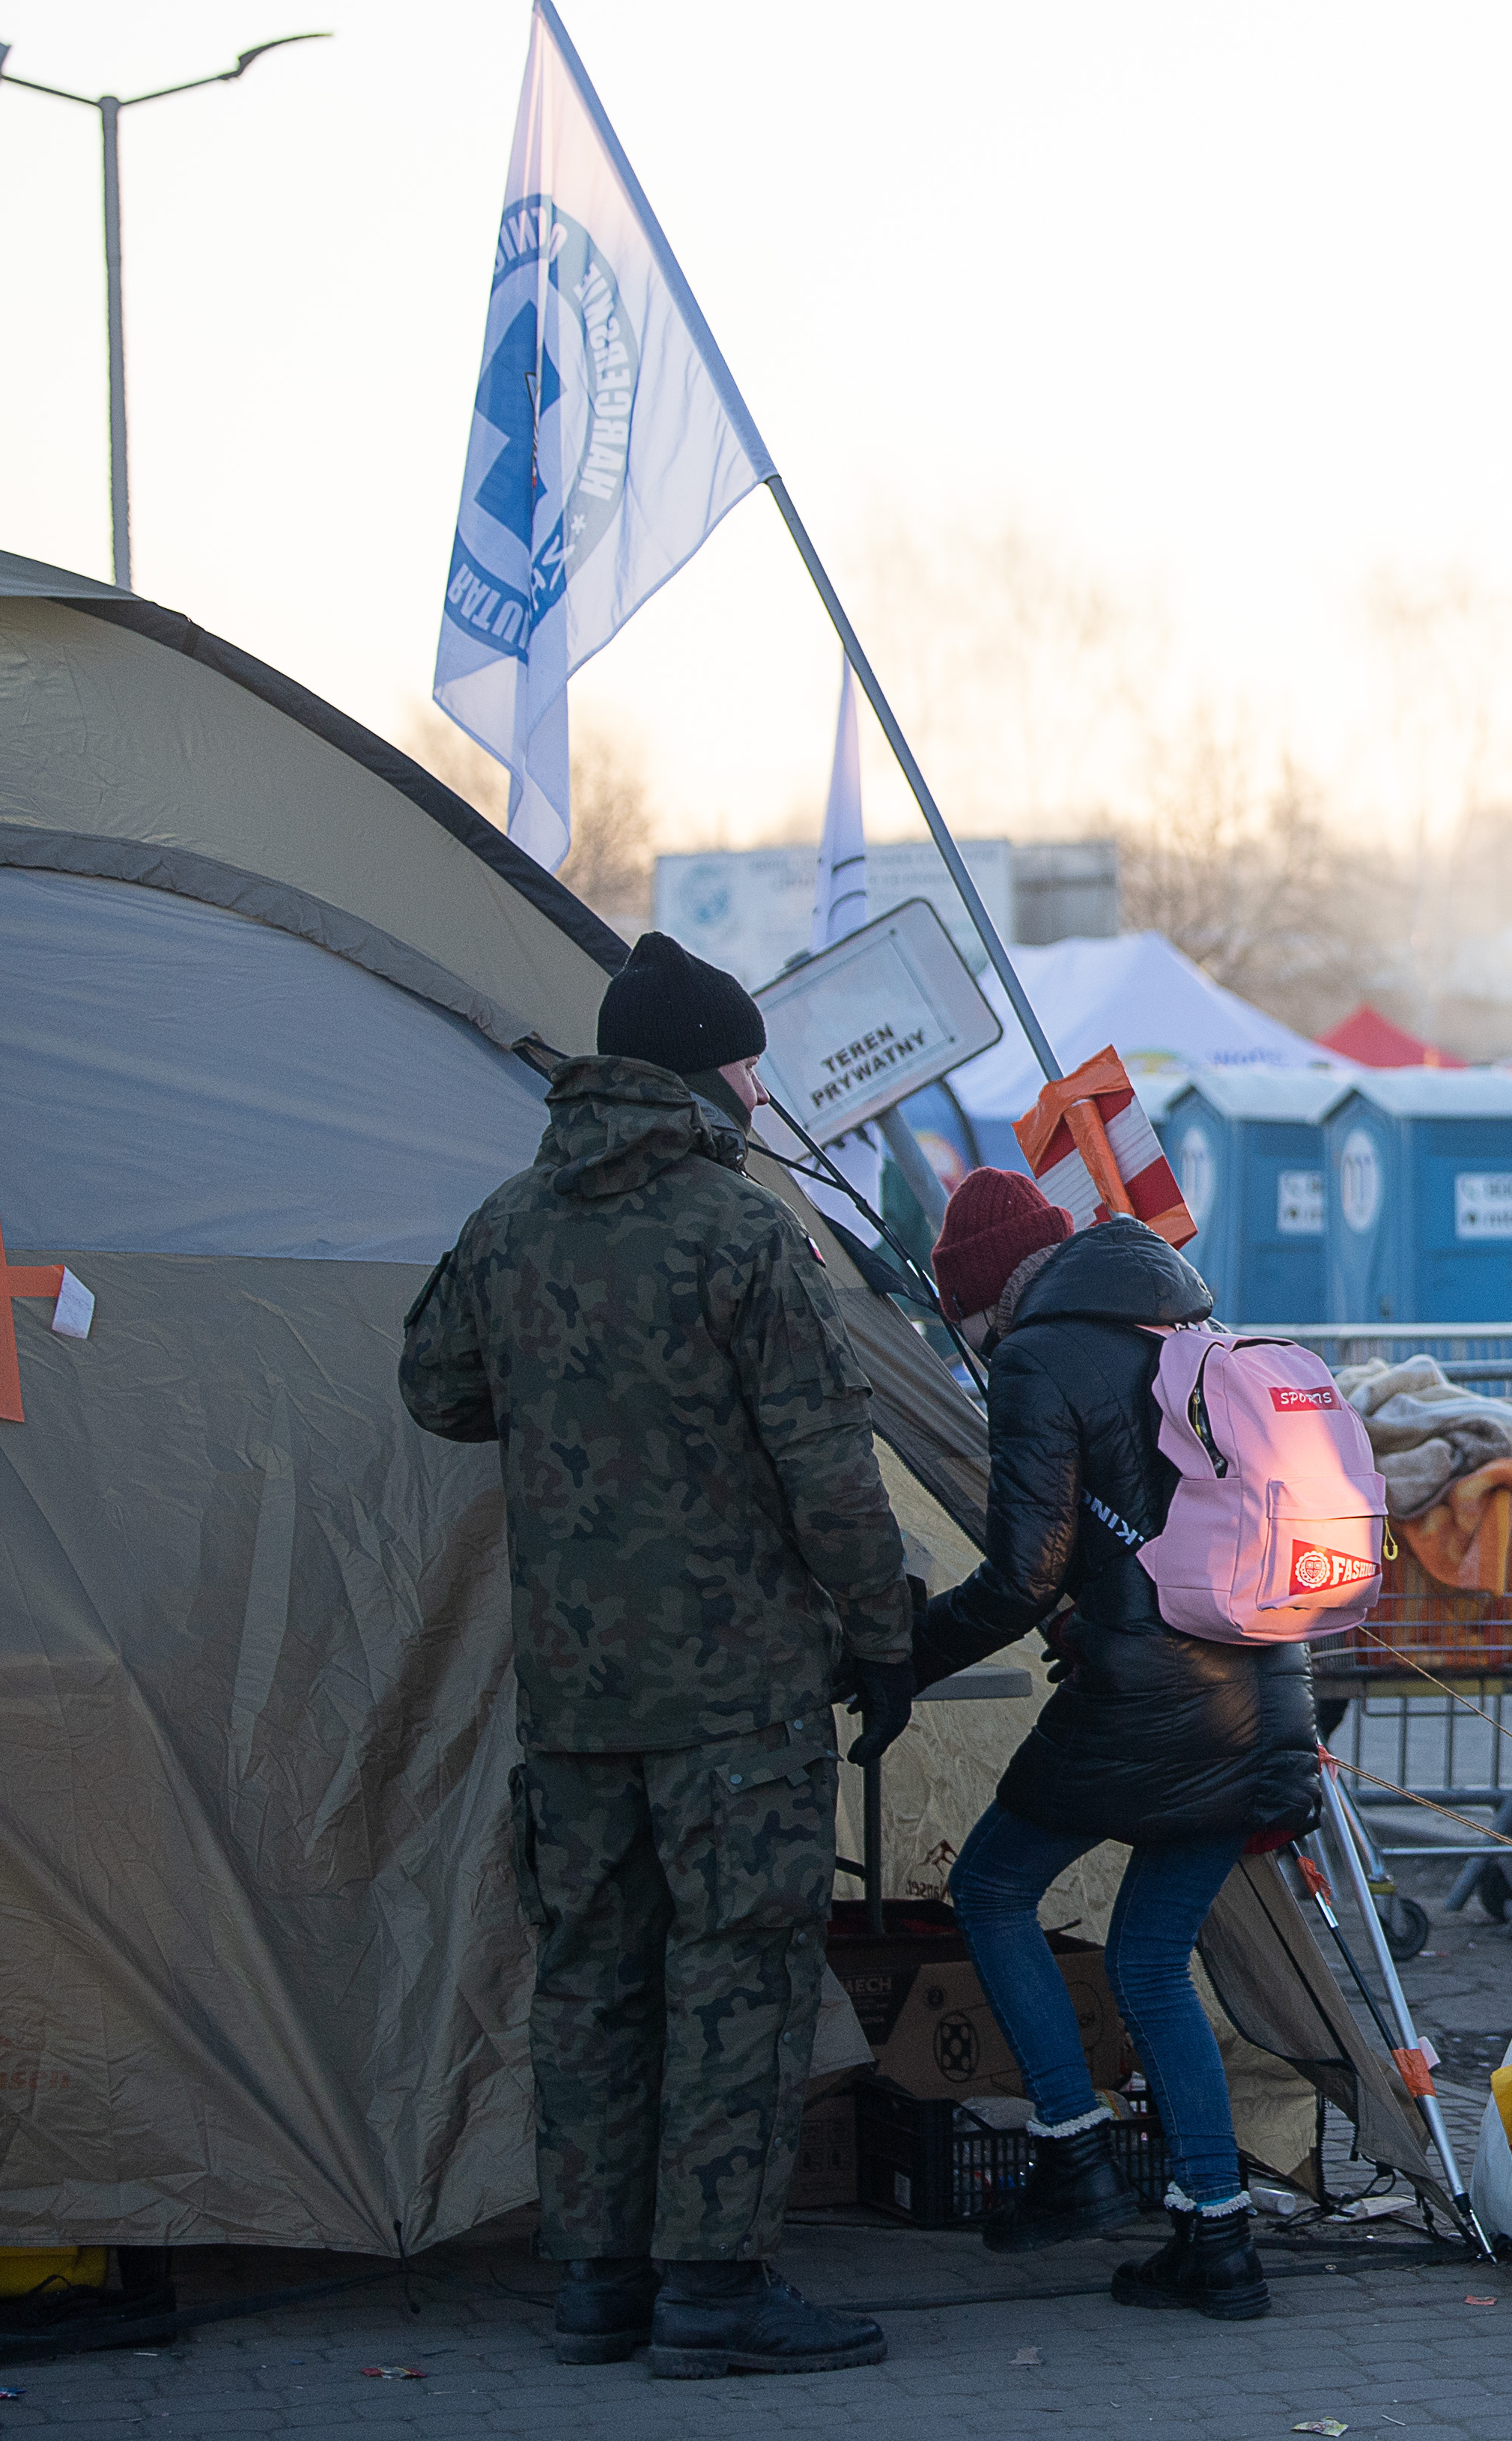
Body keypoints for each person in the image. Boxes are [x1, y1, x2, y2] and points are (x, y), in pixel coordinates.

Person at [399, 933, 916, 2379]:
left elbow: (435, 1383)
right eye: (749, 1062)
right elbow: (829, 1469)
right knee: (734, 1986)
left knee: (592, 1983)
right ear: (709, 1074)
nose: (760, 1088)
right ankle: (712, 2293)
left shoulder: (513, 1223)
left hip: (574, 1698)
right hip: (737, 1699)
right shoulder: (741, 1231)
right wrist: (884, 1634)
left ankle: (599, 2286)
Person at [908, 1167, 1320, 2316]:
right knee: (1148, 1959)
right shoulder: (1195, 1325)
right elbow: (1171, 1533)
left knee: (991, 1889)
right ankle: (1219, 2244)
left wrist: (900, 1655)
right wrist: (1101, 1613)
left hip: (1150, 1704)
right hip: (1265, 1695)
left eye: (972, 1331)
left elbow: (1019, 1573)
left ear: (989, 1304)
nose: (982, 1353)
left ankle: (1074, 2148)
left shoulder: (1042, 1357)